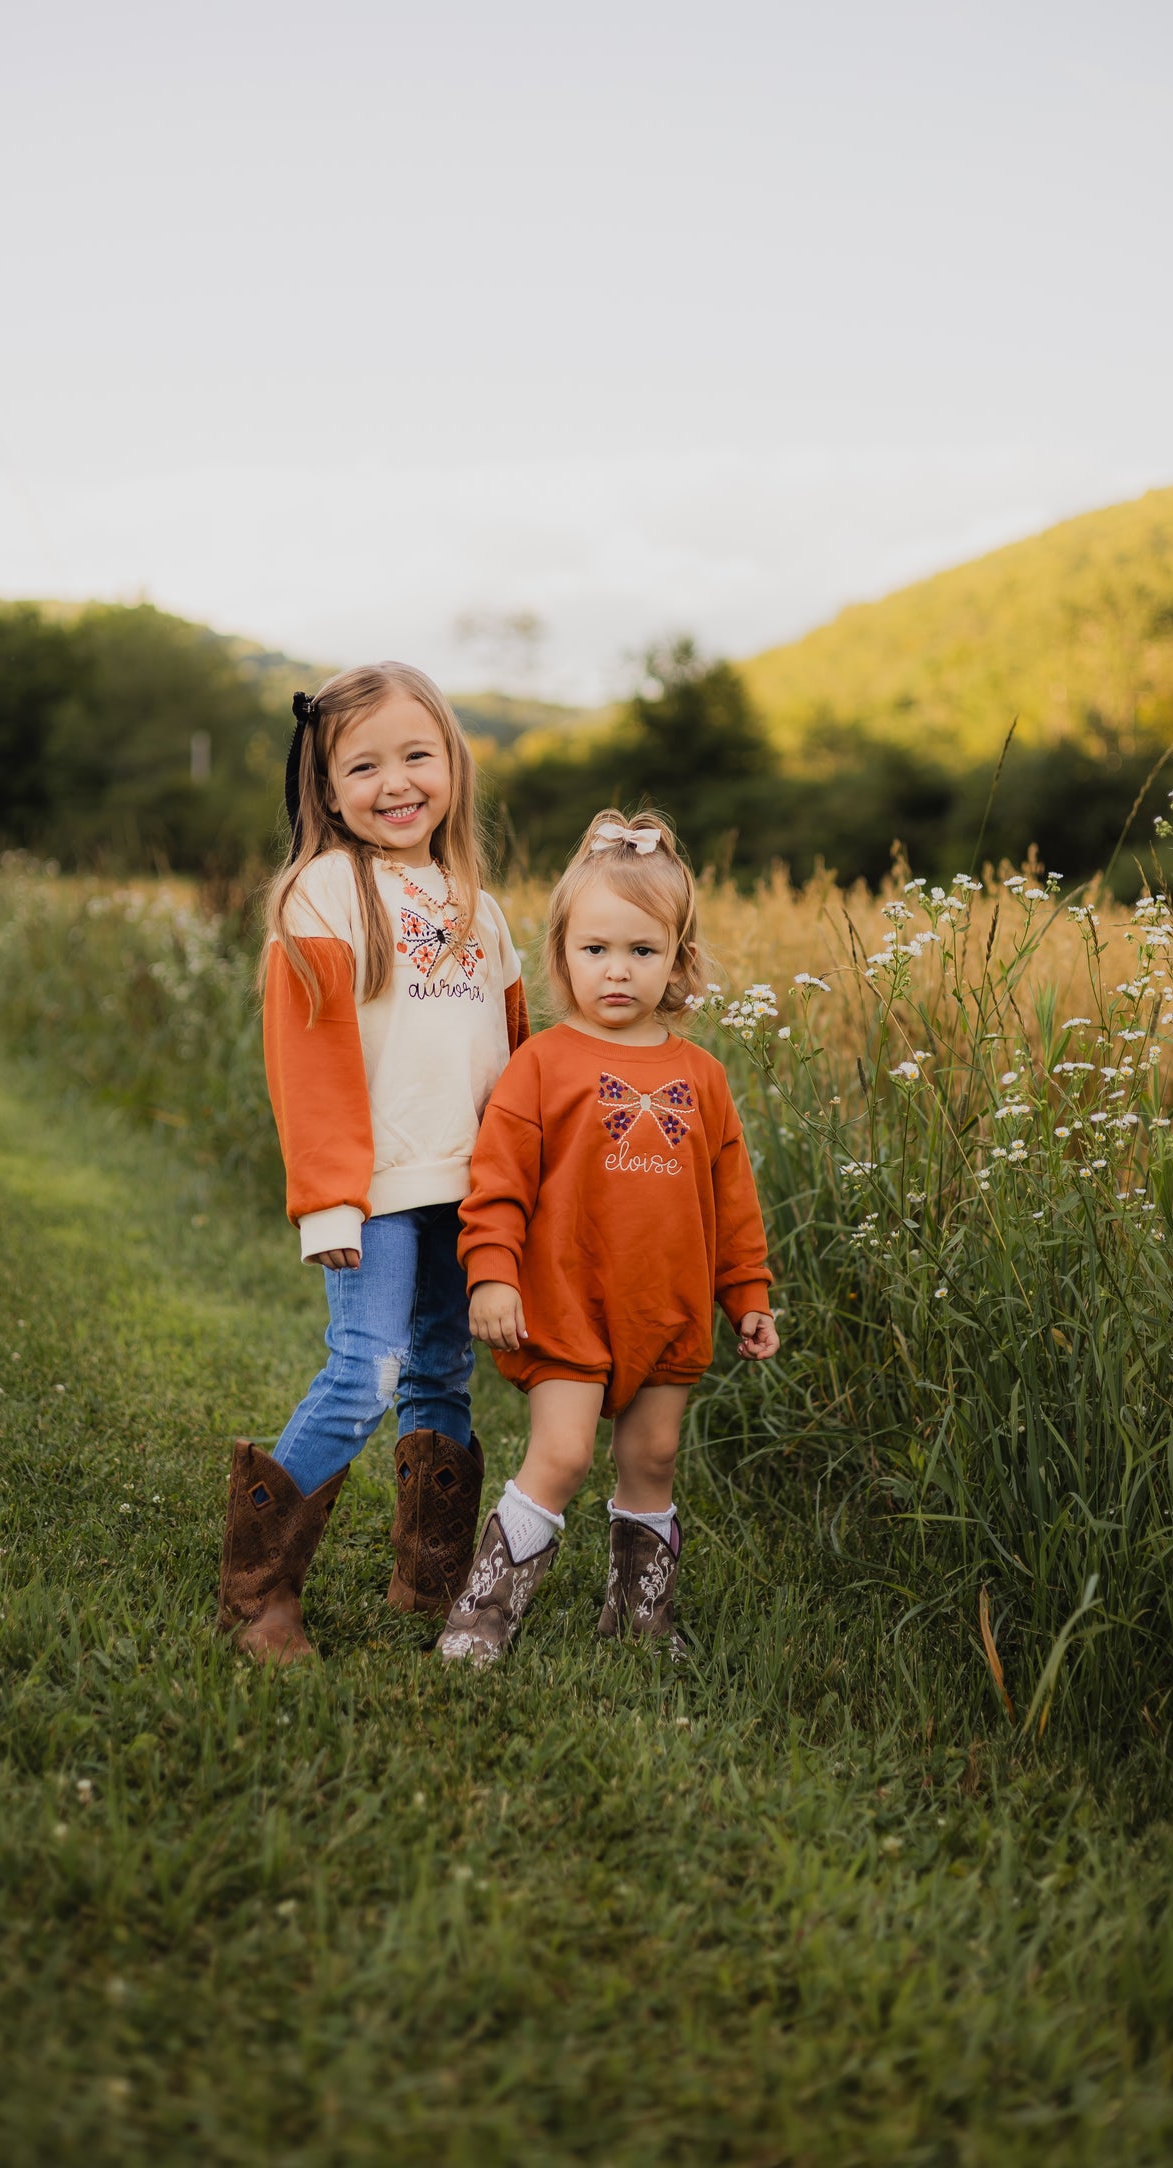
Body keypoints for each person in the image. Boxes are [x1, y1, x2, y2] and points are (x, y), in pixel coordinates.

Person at [217, 663, 529, 1664]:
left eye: (416, 756)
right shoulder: (325, 891)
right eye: (362, 766)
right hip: (377, 1188)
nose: (394, 783)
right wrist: (329, 1202)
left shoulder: (481, 908)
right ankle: (258, 1594)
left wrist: (525, 1194)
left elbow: (517, 1068)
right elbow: (307, 1061)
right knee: (367, 1369)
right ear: (324, 784)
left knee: (443, 1370)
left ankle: (427, 1582)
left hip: (469, 1187)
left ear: (453, 765)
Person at [439, 810, 778, 1664]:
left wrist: (747, 1294)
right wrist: (491, 1273)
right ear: (561, 955)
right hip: (566, 1306)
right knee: (561, 1456)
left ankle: (637, 1616)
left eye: (641, 950)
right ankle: (482, 1614)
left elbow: (731, 1200)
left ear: (678, 960)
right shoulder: (541, 1064)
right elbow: (496, 1185)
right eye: (595, 949)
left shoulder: (702, 1077)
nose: (617, 970)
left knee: (654, 1456)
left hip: (667, 1308)